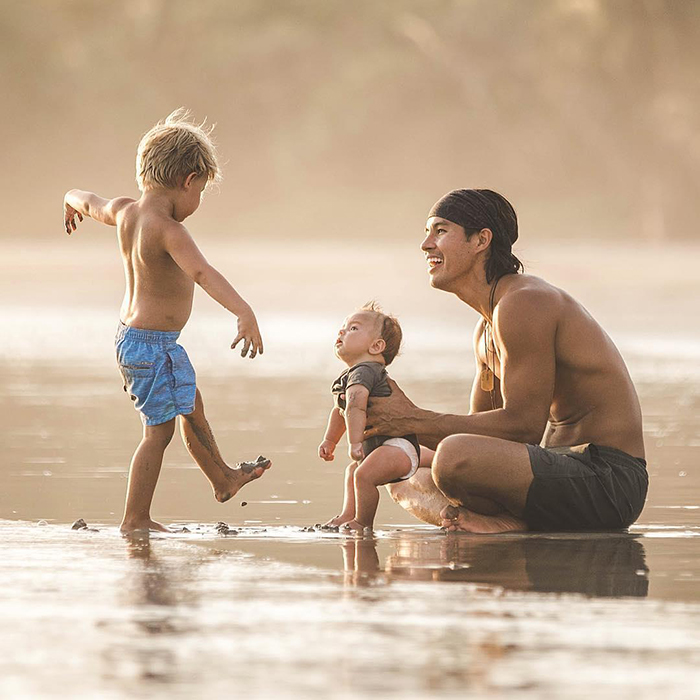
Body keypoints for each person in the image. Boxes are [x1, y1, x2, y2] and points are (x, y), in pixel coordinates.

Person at [365, 188, 648, 533]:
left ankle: (512, 523)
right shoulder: (485, 329)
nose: (426, 245)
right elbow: (488, 438)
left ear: (481, 239)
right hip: (553, 475)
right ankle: (495, 522)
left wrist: (414, 419)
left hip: (609, 482)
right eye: (427, 232)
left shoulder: (525, 302)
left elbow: (524, 427)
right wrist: (396, 434)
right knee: (401, 475)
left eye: (440, 231)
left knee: (455, 457)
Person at [62, 109, 271, 534]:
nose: (198, 203)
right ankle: (135, 519)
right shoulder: (170, 230)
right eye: (202, 192)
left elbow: (85, 198)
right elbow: (203, 274)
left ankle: (223, 480)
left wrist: (69, 200)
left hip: (130, 340)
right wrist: (243, 312)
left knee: (190, 404)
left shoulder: (123, 211)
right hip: (155, 345)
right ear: (189, 180)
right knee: (157, 434)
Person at [318, 302, 421, 532]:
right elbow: (342, 410)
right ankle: (347, 514)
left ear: (376, 346)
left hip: (397, 446)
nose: (342, 332)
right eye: (343, 327)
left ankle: (363, 523)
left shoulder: (365, 372)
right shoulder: (351, 375)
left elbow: (355, 406)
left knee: (363, 474)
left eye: (353, 328)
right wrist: (330, 440)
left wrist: (354, 442)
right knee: (353, 472)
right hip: (382, 447)